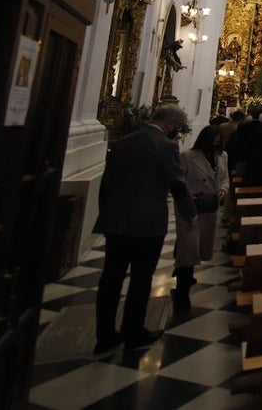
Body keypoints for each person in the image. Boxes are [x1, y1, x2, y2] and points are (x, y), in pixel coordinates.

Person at [93, 105, 196, 354]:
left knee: (110, 278)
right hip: (147, 223)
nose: (177, 133)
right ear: (170, 122)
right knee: (141, 278)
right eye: (178, 127)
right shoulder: (166, 146)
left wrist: (106, 213)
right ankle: (133, 331)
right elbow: (177, 184)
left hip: (116, 221)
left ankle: (105, 335)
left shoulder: (122, 142)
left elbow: (106, 184)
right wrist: (189, 215)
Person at [170, 125, 228, 310]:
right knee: (188, 247)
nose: (216, 144)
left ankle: (184, 275)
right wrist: (188, 196)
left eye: (218, 141)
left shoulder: (222, 156)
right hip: (191, 207)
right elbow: (178, 182)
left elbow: (225, 177)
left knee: (195, 246)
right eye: (213, 140)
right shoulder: (187, 156)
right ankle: (182, 290)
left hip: (210, 205)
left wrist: (223, 189)